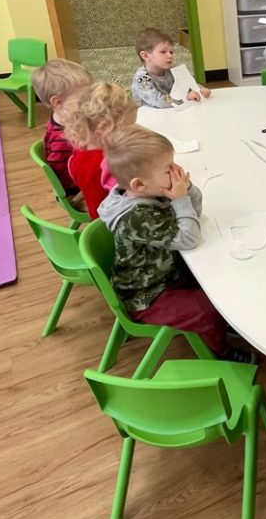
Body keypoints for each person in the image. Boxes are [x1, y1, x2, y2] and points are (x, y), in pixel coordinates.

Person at [98, 125, 252, 363]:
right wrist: (180, 199)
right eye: (167, 168)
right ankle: (221, 352)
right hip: (146, 294)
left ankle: (224, 323)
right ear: (139, 184)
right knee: (206, 309)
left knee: (218, 283)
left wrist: (187, 190)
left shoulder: (150, 191)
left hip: (166, 272)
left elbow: (193, 214)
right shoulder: (137, 216)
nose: (175, 171)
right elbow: (189, 238)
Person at [65, 82, 138, 219]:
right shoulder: (108, 163)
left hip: (96, 209)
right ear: (103, 127)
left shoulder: (79, 150)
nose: (130, 133)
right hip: (111, 217)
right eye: (127, 128)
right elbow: (130, 193)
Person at [30, 58, 92, 207]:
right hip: (77, 191)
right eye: (84, 99)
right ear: (57, 102)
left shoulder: (63, 118)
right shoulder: (62, 139)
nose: (89, 102)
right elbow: (64, 176)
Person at [130, 27, 211, 108]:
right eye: (163, 52)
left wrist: (200, 89)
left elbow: (186, 83)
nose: (170, 56)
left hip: (170, 111)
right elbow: (158, 101)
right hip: (147, 113)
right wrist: (184, 98)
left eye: (171, 52)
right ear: (146, 56)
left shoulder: (171, 70)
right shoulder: (142, 78)